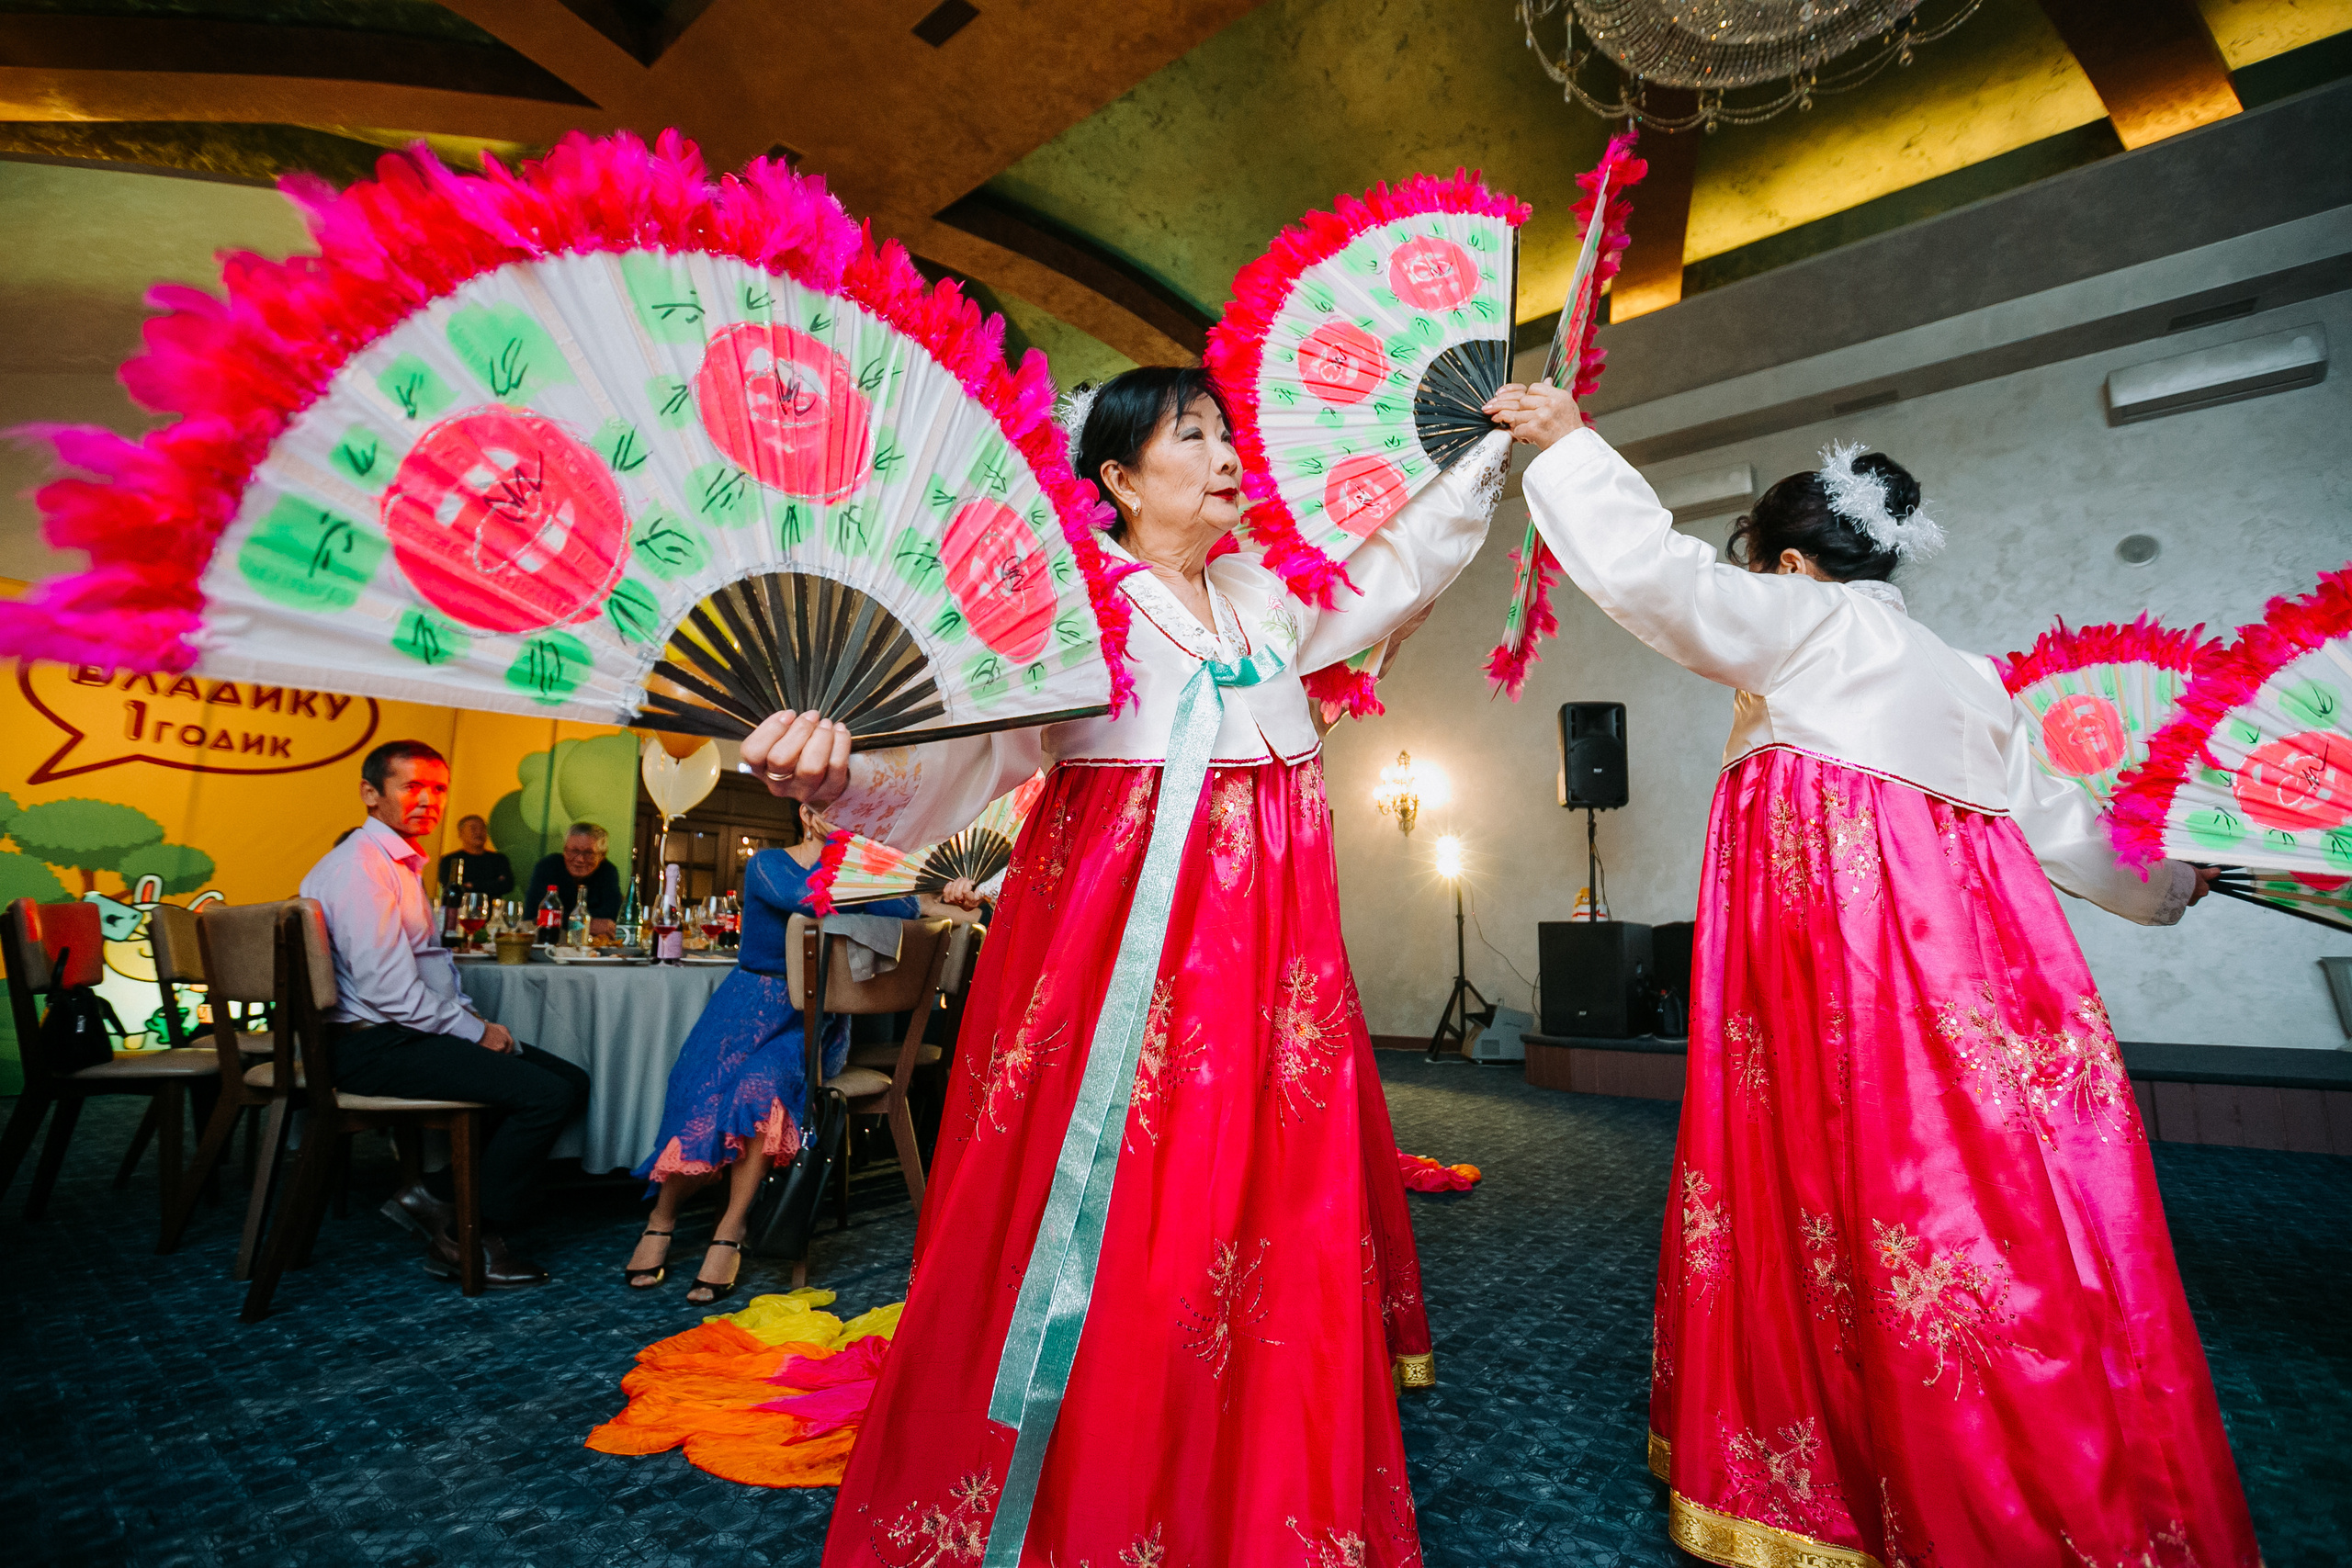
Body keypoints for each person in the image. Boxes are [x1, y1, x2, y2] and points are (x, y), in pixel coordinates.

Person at [1487, 379, 2259, 1568]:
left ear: (1791, 564)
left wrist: (1567, 442)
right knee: (1984, 1208)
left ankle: (1867, 1459)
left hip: (1851, 976)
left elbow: (1656, 575)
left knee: (1846, 1186)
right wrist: (2175, 885)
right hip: (1988, 981)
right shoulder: (1971, 674)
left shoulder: (1804, 625)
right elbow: (2074, 835)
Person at [757, 367, 1504, 1566]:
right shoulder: (1068, 605)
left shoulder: (1267, 596)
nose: (1225, 457)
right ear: (1115, 476)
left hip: (1273, 955)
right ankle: (1095, 1484)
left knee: (1259, 1207)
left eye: (1226, 435)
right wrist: (831, 777)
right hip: (1119, 960)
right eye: (1191, 436)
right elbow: (957, 774)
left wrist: (1476, 458)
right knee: (1117, 1217)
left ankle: (1239, 1481)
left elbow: (1400, 569)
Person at [623, 807, 983, 1304]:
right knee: (704, 1096)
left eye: (857, 812)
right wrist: (897, 885)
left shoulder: (864, 876)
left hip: (811, 1023)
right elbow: (812, 899)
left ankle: (731, 1226)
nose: (851, 821)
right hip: (743, 1012)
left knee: (759, 1091)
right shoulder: (770, 865)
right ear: (807, 815)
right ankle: (661, 1219)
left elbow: (922, 912)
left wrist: (932, 892)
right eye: (837, 812)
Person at [300, 739, 593, 1288]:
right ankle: (466, 1236)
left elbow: (427, 973)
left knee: (568, 1080)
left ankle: (430, 1194)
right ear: (370, 793)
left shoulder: (396, 863)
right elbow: (389, 992)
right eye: (410, 786)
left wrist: (472, 1025)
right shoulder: (362, 869)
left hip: (396, 1035)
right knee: (545, 1095)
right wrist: (474, 1031)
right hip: (372, 1045)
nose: (427, 800)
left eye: (437, 789)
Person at [524, 822, 621, 936]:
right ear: (565, 850)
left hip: (590, 948)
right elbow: (534, 914)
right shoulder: (548, 866)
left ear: (602, 856)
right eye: (574, 851)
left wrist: (561, 917)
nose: (580, 859)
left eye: (589, 853)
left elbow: (612, 915)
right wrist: (586, 923)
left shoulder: (608, 871)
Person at [436, 814, 514, 900]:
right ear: (461, 833)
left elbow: (507, 885)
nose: (479, 832)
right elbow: (452, 888)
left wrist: (472, 885)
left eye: (482, 828)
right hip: (459, 909)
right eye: (473, 829)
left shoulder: (499, 859)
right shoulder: (450, 860)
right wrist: (491, 884)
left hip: (491, 910)